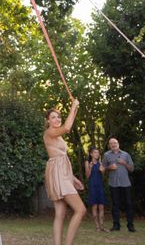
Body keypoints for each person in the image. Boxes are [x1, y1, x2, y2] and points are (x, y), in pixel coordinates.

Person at [43, 101, 86, 245]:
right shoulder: (49, 132)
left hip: (62, 173)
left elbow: (62, 157)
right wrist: (73, 107)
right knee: (80, 210)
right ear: (48, 120)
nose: (57, 120)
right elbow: (67, 128)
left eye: (58, 117)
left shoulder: (58, 135)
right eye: (53, 117)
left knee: (60, 214)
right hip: (57, 173)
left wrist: (73, 178)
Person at [102, 136, 135, 232]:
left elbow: (132, 169)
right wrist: (109, 168)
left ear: (118, 144)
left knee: (129, 205)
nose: (113, 145)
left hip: (126, 184)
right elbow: (103, 169)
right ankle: (116, 226)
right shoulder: (106, 155)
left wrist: (124, 163)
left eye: (114, 143)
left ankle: (130, 226)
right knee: (115, 205)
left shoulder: (126, 155)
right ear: (109, 145)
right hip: (113, 184)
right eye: (111, 143)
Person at [85, 146, 107, 232]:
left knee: (101, 206)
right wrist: (90, 167)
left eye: (98, 153)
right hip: (92, 186)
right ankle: (97, 227)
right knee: (94, 206)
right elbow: (87, 176)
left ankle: (102, 226)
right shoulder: (87, 162)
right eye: (95, 152)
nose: (97, 154)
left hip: (100, 186)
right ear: (91, 154)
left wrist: (103, 170)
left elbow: (103, 175)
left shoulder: (100, 163)